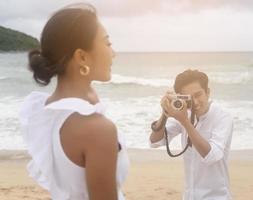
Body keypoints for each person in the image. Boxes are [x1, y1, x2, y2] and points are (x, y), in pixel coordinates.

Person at [19, 4, 129, 200]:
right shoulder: (97, 129)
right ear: (81, 56)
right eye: (107, 43)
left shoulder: (46, 111)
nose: (114, 53)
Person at [149, 69, 233, 200]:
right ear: (181, 98)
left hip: (216, 196)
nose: (195, 102)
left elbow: (212, 156)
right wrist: (165, 113)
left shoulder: (222, 117)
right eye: (188, 98)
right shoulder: (185, 114)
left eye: (198, 95)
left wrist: (185, 122)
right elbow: (155, 141)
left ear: (208, 92)